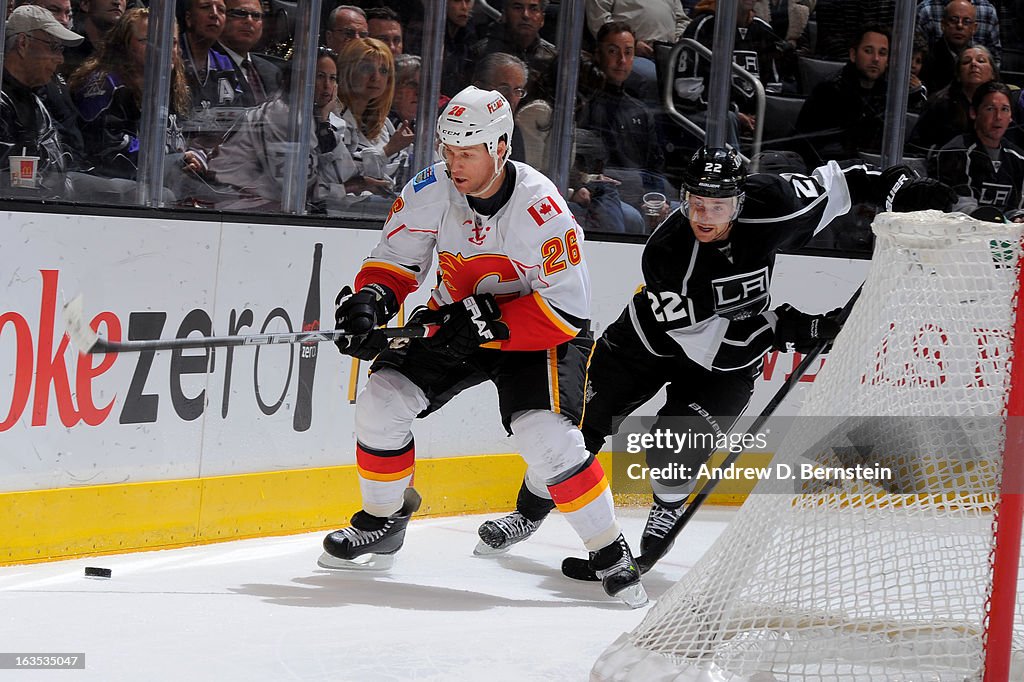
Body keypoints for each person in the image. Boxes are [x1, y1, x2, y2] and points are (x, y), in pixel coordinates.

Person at [475, 146, 958, 571]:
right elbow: (718, 346)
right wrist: (796, 327)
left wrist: (902, 192)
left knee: (672, 449)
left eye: (719, 205)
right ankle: (527, 513)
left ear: (741, 199)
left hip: (725, 358)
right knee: (574, 432)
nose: (705, 216)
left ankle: (667, 503)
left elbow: (848, 181)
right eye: (697, 203)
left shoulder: (776, 205)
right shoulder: (667, 252)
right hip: (649, 342)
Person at [319, 85, 648, 608]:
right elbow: (396, 262)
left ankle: (610, 552)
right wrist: (372, 300)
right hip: (454, 320)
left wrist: (481, 322)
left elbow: (566, 313)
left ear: (500, 148)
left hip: (537, 332)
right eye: (447, 151)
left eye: (466, 152)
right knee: (381, 399)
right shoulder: (430, 189)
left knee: (545, 436)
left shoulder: (542, 210)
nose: (454, 164)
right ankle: (384, 520)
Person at [70, 8, 203, 189]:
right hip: (111, 187)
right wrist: (173, 159)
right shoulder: (104, 84)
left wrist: (194, 157)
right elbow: (108, 149)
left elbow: (189, 137)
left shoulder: (171, 86)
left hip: (161, 180)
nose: (163, 49)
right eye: (149, 41)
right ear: (124, 45)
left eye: (171, 42)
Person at [207, 46, 350, 212]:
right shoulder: (280, 115)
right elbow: (294, 191)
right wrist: (349, 188)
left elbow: (342, 175)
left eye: (332, 78)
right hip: (232, 203)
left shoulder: (318, 117)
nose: (327, 85)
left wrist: (324, 123)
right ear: (299, 78)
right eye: (319, 76)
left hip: (265, 205)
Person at [1, 5, 84, 197]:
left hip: (54, 191)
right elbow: (11, 185)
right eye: (54, 47)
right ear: (23, 43)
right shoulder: (4, 101)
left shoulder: (34, 98)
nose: (60, 59)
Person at [795, 25, 898, 162]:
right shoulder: (829, 91)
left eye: (882, 53)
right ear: (853, 55)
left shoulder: (891, 95)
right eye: (868, 51)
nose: (876, 59)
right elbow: (818, 147)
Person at [333, 37, 412, 199]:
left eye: (383, 71)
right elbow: (343, 173)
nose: (376, 77)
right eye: (366, 68)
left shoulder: (385, 125)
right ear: (347, 71)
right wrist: (388, 150)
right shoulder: (331, 118)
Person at [933, 80, 1024, 214]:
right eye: (990, 109)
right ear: (974, 112)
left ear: (1011, 117)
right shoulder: (956, 151)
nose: (998, 117)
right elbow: (961, 209)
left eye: (1004, 109)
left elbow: (1018, 208)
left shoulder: (1019, 158)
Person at [909, 45, 1011, 154]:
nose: (973, 64)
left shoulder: (1004, 103)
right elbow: (917, 145)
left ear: (993, 74)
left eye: (981, 61)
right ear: (958, 74)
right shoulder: (939, 104)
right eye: (966, 62)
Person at [470, 0, 558, 107]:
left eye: (533, 9)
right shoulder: (481, 53)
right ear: (504, 14)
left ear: (542, 19)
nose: (526, 15)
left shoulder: (553, 59)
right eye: (518, 8)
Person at [218, 0, 282, 106]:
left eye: (256, 15)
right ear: (221, 16)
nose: (249, 20)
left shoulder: (272, 72)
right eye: (240, 13)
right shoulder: (207, 64)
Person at [919, 0, 979, 95]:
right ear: (943, 25)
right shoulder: (928, 59)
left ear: (974, 28)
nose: (959, 25)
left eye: (966, 22)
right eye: (953, 20)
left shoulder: (977, 62)